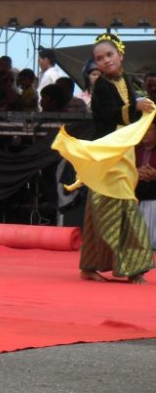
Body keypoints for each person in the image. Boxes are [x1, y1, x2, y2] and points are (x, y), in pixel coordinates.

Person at [57, 31, 155, 284]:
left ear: (120, 55)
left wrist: (142, 110)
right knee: (108, 207)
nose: (106, 61)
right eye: (100, 58)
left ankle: (95, 265)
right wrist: (135, 107)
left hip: (123, 152)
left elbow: (131, 117)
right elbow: (108, 116)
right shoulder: (101, 85)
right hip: (109, 152)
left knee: (109, 207)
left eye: (109, 55)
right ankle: (130, 269)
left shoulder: (128, 84)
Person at [135, 120, 156, 248]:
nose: (145, 133)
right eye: (143, 129)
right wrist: (135, 172)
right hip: (136, 197)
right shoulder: (132, 149)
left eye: (149, 130)